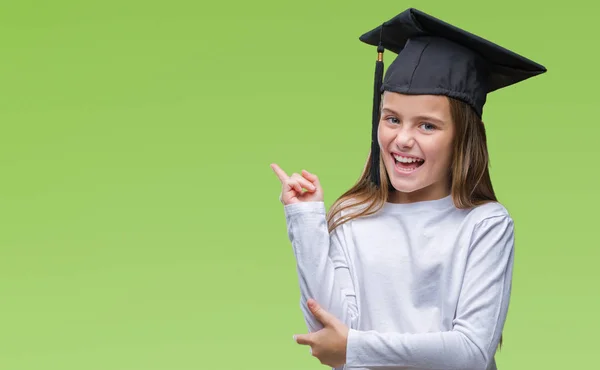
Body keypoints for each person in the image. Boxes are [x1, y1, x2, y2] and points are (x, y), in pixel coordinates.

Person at [271, 8, 546, 370]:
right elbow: (328, 334)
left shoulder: (484, 224)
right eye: (392, 119)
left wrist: (357, 348)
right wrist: (306, 220)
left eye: (427, 126)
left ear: (462, 138)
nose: (402, 139)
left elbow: (472, 351)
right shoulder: (353, 216)